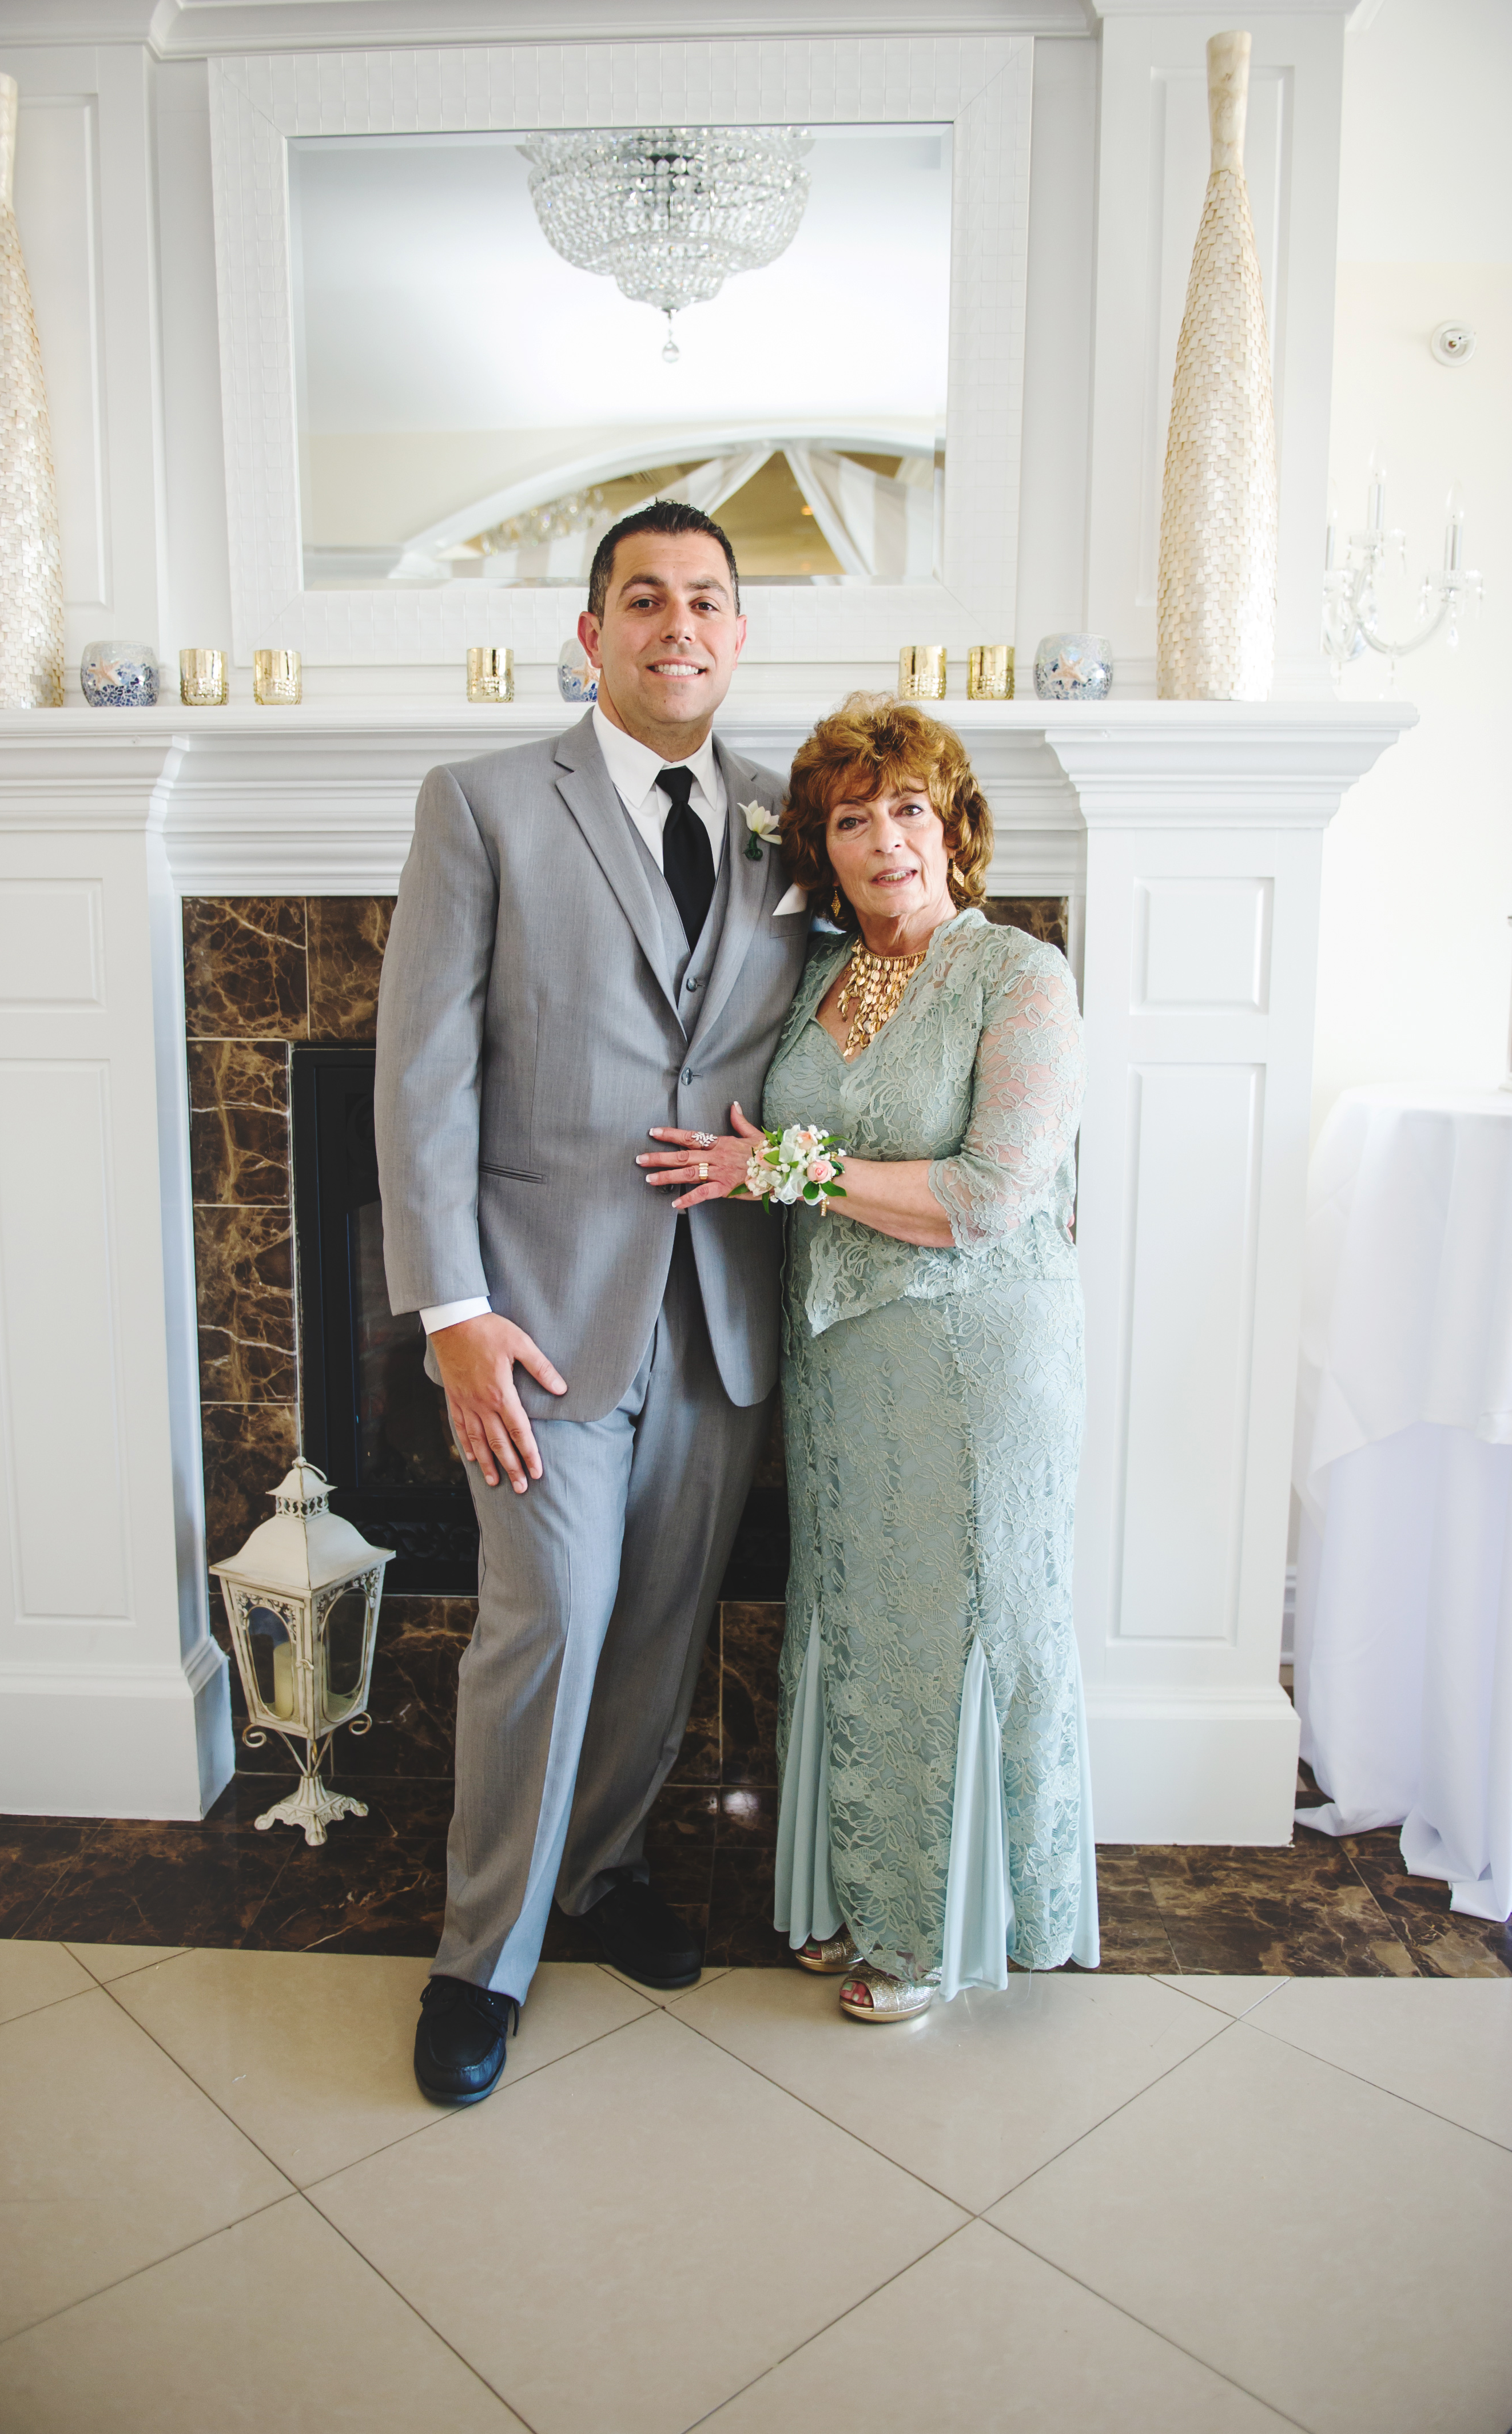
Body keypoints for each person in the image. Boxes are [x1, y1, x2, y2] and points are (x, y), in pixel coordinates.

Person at [375, 501, 810, 2103]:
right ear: (592, 633)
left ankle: (603, 1868)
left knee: (658, 1628)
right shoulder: (483, 803)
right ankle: (479, 1959)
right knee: (546, 1619)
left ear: (738, 634)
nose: (676, 623)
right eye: (643, 598)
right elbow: (421, 1073)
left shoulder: (795, 819)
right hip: (541, 1316)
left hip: (722, 1312)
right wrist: (453, 1314)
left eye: (705, 599)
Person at [640, 694, 1098, 2017]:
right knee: (856, 1619)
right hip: (842, 1361)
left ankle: (936, 1926)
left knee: (956, 1623)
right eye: (853, 817)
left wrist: (776, 1169)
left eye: (909, 807)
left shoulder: (1019, 976)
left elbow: (989, 1195)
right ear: (821, 848)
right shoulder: (816, 978)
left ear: (952, 826)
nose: (886, 837)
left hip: (977, 1356)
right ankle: (857, 1891)